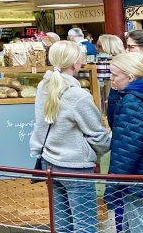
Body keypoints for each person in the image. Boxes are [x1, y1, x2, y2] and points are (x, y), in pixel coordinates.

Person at [29, 40, 111, 233]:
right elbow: (97, 136)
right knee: (85, 225)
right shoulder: (78, 96)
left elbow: (41, 124)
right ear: (75, 64)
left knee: (62, 225)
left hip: (50, 162)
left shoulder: (43, 86)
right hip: (76, 167)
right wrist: (107, 145)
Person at [106, 52, 143, 232]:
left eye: (114, 74)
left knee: (140, 227)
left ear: (130, 77)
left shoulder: (133, 102)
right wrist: (115, 93)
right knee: (133, 225)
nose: (110, 78)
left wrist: (113, 186)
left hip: (138, 177)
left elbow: (126, 149)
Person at [97, 34, 125, 110]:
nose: (97, 49)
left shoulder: (120, 63)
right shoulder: (124, 60)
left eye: (100, 46)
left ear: (109, 47)